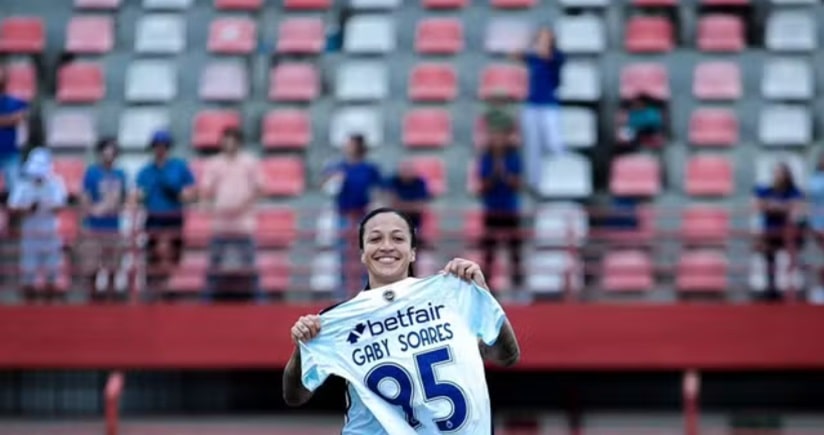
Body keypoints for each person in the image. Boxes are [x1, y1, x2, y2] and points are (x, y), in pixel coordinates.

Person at [282, 208, 520, 434]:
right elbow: (295, 396)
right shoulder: (337, 321)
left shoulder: (452, 297)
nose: (386, 247)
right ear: (362, 254)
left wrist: (483, 295)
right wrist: (302, 347)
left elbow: (507, 356)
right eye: (375, 239)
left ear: (413, 251)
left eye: (397, 239)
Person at [200, 127, 265, 303]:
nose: (228, 144)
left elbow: (259, 188)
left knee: (250, 266)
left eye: (232, 139)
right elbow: (206, 190)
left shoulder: (249, 162)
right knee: (213, 266)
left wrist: (242, 205)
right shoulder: (214, 164)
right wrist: (213, 206)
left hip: (243, 224)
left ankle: (261, 303)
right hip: (221, 224)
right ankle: (204, 303)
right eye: (226, 140)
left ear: (238, 142)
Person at [133, 131, 196, 298]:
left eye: (164, 146)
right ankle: (155, 289)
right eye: (157, 146)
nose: (160, 149)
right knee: (154, 255)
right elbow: (138, 194)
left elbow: (191, 193)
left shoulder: (179, 167)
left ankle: (168, 288)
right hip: (154, 218)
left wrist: (176, 192)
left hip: (173, 217)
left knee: (171, 255)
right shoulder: (146, 171)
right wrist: (138, 197)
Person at [322, 134, 383, 299]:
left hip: (363, 214)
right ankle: (342, 293)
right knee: (343, 254)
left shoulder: (369, 168)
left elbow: (378, 190)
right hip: (343, 214)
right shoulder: (338, 167)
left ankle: (365, 291)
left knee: (365, 253)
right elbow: (327, 186)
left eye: (350, 144)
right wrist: (333, 179)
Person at [8, 148, 67, 303]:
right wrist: (28, 208)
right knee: (28, 275)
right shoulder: (22, 184)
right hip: (30, 235)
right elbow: (12, 207)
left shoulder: (56, 182)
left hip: (50, 234)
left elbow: (60, 206)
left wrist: (46, 205)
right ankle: (30, 307)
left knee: (52, 275)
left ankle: (50, 309)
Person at [511, 26, 565, 192]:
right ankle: (535, 181)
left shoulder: (557, 56)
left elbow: (552, 60)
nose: (543, 40)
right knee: (532, 146)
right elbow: (515, 55)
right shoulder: (533, 57)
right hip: (532, 105)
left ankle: (561, 174)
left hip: (549, 105)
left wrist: (541, 50)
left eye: (546, 37)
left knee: (554, 142)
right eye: (540, 37)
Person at [79, 138, 127, 302]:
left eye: (112, 151)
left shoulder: (120, 174)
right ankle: (92, 299)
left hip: (113, 226)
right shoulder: (91, 173)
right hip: (94, 227)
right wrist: (91, 213)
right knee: (91, 267)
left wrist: (114, 206)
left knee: (113, 266)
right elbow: (85, 199)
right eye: (105, 150)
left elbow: (124, 199)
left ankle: (111, 299)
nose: (108, 154)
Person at [478, 128, 524, 295]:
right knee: (489, 251)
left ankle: (518, 285)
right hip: (492, 210)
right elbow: (484, 186)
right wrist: (495, 172)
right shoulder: (486, 159)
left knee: (515, 250)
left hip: (510, 210)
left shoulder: (514, 158)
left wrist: (504, 171)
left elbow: (516, 184)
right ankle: (487, 286)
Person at [753, 163, 805, 302]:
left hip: (788, 231)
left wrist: (774, 206)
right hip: (770, 230)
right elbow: (759, 206)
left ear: (786, 175)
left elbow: (795, 207)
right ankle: (771, 289)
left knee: (791, 260)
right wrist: (780, 207)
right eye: (775, 173)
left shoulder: (794, 191)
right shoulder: (766, 189)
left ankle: (791, 290)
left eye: (779, 173)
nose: (776, 176)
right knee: (769, 259)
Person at [384, 159, 431, 241]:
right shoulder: (392, 181)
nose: (406, 173)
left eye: (409, 170)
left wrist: (400, 205)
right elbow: (389, 204)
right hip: (394, 221)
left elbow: (420, 207)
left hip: (415, 221)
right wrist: (411, 206)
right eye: (404, 170)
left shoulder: (420, 182)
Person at [0, 65, 29, 196]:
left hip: (11, 154)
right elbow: (15, 118)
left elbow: (21, 117)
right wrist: (11, 119)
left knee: (16, 194)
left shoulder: (17, 102)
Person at [807, 155, 824, 303]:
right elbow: (814, 193)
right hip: (819, 223)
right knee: (820, 259)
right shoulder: (815, 179)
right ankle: (820, 289)